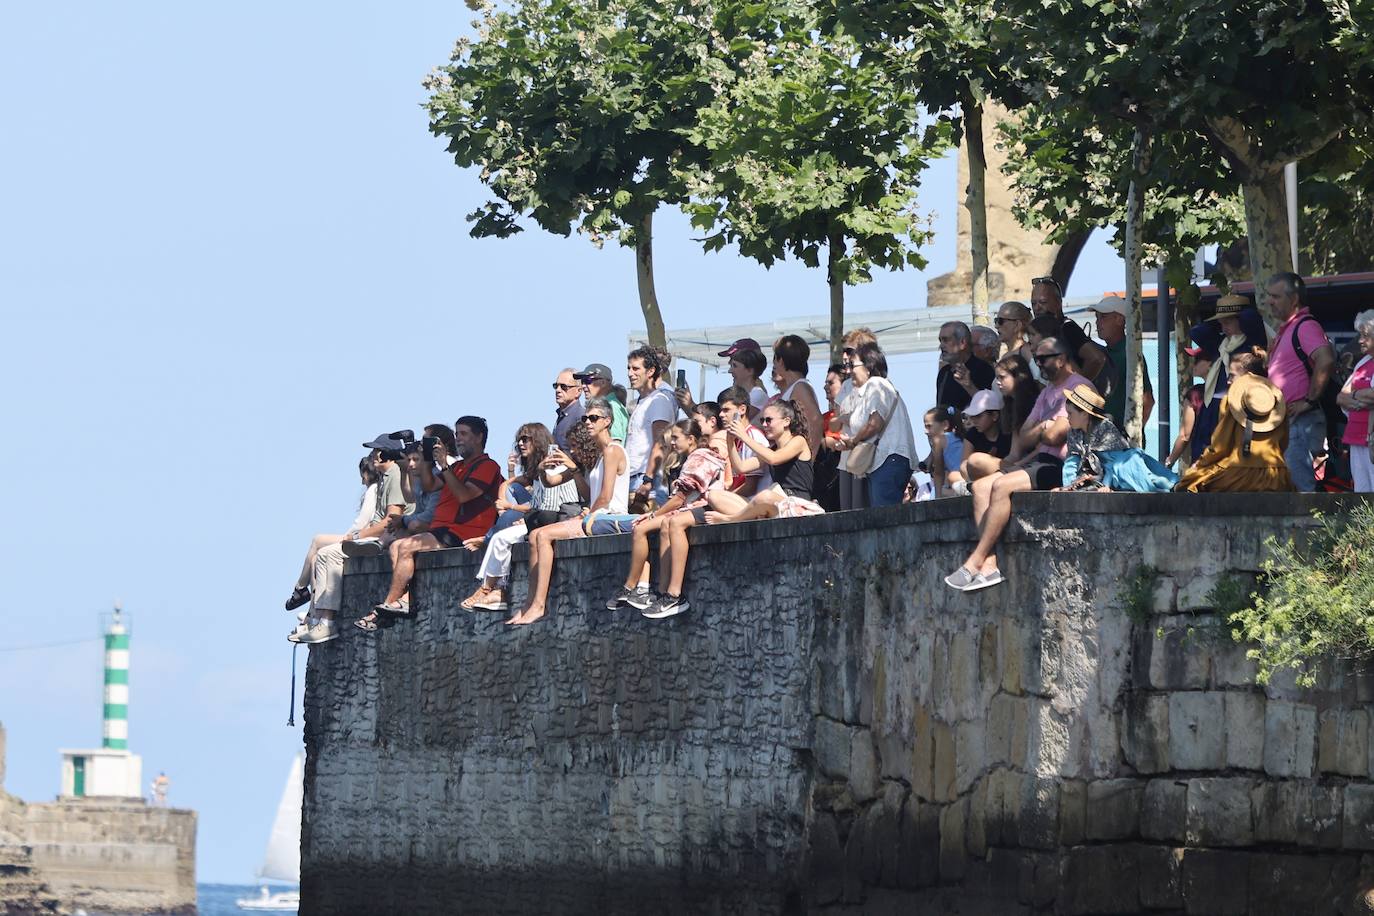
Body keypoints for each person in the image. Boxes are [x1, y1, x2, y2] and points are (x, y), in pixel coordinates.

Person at [944, 338, 1092, 592]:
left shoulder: (1078, 387)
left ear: (1061, 358)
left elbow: (1055, 436)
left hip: (1063, 464)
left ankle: (975, 560)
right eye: (1036, 359)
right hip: (1040, 459)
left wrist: (1043, 431)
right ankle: (989, 566)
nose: (1039, 364)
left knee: (1001, 485)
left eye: (1043, 359)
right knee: (980, 488)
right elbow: (1025, 436)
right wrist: (1042, 429)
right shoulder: (1047, 392)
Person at [356, 417, 503, 629]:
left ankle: (388, 606)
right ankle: (404, 600)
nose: (458, 439)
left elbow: (464, 495)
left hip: (465, 531)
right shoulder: (459, 466)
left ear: (479, 437)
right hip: (446, 529)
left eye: (463, 434)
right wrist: (423, 461)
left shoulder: (488, 466)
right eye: (456, 434)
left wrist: (444, 466)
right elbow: (429, 485)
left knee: (405, 546)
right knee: (397, 546)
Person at [507, 397, 630, 625]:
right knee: (535, 535)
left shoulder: (613, 450)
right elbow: (554, 482)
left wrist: (588, 514)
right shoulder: (600, 455)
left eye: (593, 418)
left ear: (607, 421)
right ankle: (529, 603)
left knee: (542, 535)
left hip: (609, 516)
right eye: (585, 418)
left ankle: (538, 605)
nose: (588, 422)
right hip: (597, 514)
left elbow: (605, 497)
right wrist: (545, 470)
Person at [459, 423, 592, 613]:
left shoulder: (554, 464)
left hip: (556, 519)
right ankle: (493, 589)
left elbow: (549, 506)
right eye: (519, 440)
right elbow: (532, 495)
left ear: (538, 441)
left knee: (501, 538)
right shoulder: (538, 468)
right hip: (540, 517)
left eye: (525, 439)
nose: (520, 444)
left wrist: (513, 508)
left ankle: (492, 589)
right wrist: (508, 488)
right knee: (502, 534)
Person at [290, 434, 410, 644]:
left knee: (328, 554)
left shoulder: (394, 475)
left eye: (375, 451)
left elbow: (391, 518)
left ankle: (326, 623)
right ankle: (316, 619)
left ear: (383, 454)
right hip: (378, 537)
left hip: (384, 540)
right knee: (323, 554)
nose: (372, 456)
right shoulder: (386, 478)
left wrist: (357, 536)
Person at [605, 418, 728, 614]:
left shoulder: (700, 457)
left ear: (690, 439)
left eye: (676, 438)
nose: (671, 442)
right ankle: (649, 590)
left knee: (665, 524)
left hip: (704, 507)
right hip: (689, 508)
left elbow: (680, 499)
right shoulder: (690, 457)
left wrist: (653, 514)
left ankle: (669, 593)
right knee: (646, 527)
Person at [1265, 272, 1336, 492]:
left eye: (1276, 297)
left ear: (1294, 299)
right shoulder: (1288, 329)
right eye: (1269, 296)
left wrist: (1309, 400)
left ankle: (1312, 527)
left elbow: (1325, 359)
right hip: (1290, 421)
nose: (1270, 302)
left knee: (1301, 489)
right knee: (1291, 486)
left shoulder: (1305, 326)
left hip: (1301, 421)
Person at [283, 455, 380, 612]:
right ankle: (312, 611)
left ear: (368, 473)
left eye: (363, 476)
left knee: (317, 540)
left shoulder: (373, 490)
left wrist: (348, 537)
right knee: (316, 558)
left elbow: (362, 521)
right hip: (363, 535)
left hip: (361, 536)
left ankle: (300, 588)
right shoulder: (378, 488)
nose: (362, 481)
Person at [1176, 371, 1293, 493]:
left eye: (1231, 376)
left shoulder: (1230, 403)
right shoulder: (1276, 404)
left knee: (1191, 481)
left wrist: (1199, 465)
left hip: (1236, 476)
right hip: (1276, 477)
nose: (1228, 381)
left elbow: (1219, 448)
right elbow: (1283, 444)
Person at [1058, 384, 1177, 492]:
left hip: (1124, 468)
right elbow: (1072, 462)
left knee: (1145, 478)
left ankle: (1173, 485)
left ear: (1084, 414)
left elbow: (1113, 462)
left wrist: (1106, 485)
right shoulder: (1074, 433)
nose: (1067, 417)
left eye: (1070, 413)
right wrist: (1069, 487)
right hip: (1097, 476)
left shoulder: (1104, 428)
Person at [1089, 295, 1154, 430]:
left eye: (1104, 317)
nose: (1098, 323)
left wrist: (1131, 435)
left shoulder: (1131, 354)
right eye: (1097, 318)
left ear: (1119, 320)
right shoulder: (1100, 354)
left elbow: (1147, 401)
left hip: (1122, 444)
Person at [624, 346, 678, 509]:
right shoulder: (643, 401)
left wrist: (648, 480)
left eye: (635, 369)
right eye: (628, 368)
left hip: (647, 482)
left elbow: (661, 443)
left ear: (650, 371)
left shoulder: (659, 400)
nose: (630, 374)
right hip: (634, 478)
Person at [1030, 275, 1107, 383]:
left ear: (1058, 302)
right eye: (1033, 303)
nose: (1037, 308)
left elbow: (1097, 358)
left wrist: (1078, 389)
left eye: (1043, 302)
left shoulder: (1067, 328)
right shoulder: (1047, 330)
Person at [769, 335, 824, 455]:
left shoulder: (800, 387)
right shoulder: (793, 387)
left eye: (775, 358)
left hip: (799, 463)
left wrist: (810, 458)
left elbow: (816, 421)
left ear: (780, 361)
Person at [1337, 310, 1374, 492]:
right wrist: (1361, 398)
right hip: (1356, 436)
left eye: (1365, 336)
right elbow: (1341, 397)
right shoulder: (1362, 363)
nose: (1360, 340)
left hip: (1371, 438)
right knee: (1361, 493)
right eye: (1360, 335)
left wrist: (1354, 396)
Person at [954, 389, 1014, 490]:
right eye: (972, 416)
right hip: (979, 477)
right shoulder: (972, 435)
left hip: (1008, 474)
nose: (973, 420)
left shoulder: (1009, 432)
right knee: (954, 475)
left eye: (978, 416)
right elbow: (964, 465)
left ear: (994, 415)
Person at [935, 321, 996, 411]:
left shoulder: (983, 369)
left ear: (962, 343)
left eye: (946, 340)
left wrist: (969, 386)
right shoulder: (944, 373)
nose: (941, 346)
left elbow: (990, 408)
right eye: (940, 341)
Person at [574, 363, 629, 442]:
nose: (583, 385)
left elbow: (616, 442)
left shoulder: (612, 406)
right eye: (582, 381)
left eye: (587, 380)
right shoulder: (610, 405)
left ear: (603, 382)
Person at [920, 406, 965, 497]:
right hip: (966, 479)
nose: (925, 431)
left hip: (957, 480)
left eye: (929, 426)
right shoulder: (960, 437)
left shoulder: (939, 440)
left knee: (942, 491)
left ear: (945, 425)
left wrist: (938, 497)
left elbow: (938, 473)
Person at [551, 368, 586, 448]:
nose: (558, 390)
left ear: (578, 391)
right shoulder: (562, 415)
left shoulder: (581, 418)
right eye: (556, 386)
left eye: (564, 387)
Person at [995, 301, 1035, 366]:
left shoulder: (1026, 352)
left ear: (1017, 325)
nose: (996, 326)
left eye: (1000, 321)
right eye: (995, 321)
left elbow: (1038, 375)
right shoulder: (1006, 355)